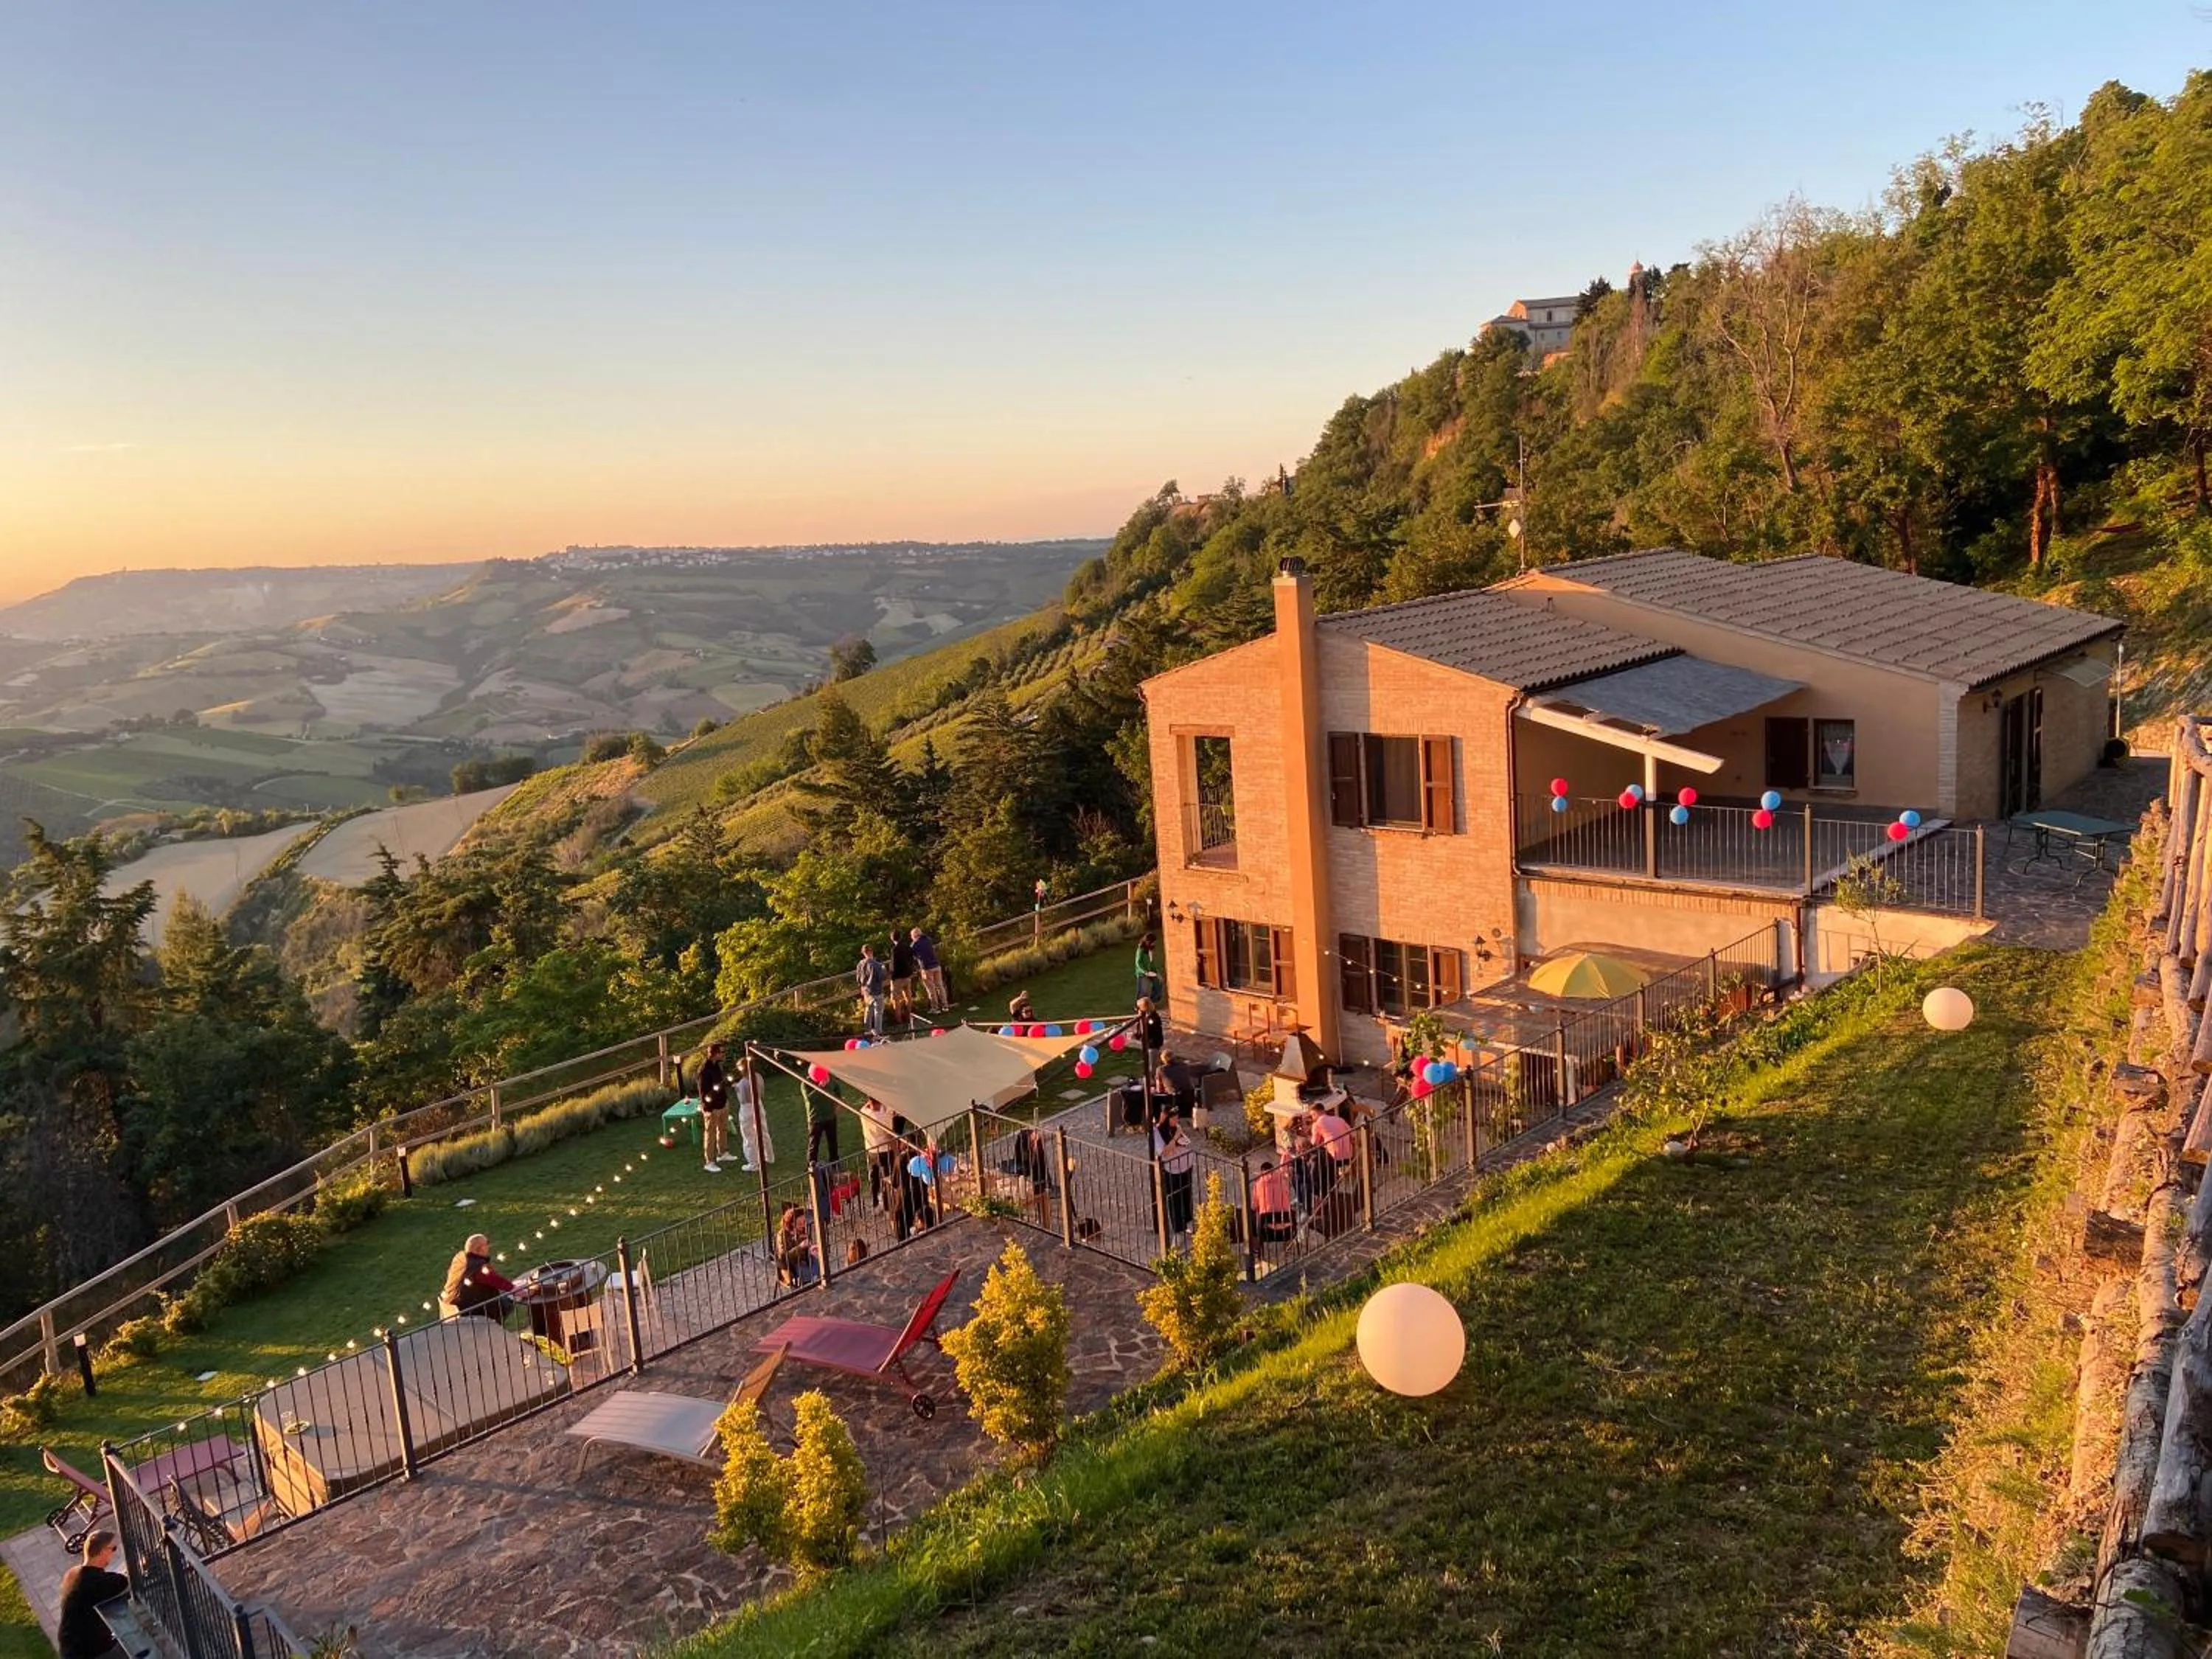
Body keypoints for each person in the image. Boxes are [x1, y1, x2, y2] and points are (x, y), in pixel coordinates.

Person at [58, 1527, 129, 1659]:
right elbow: (124, 1582)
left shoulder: (73, 1574)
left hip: (69, 1647)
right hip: (90, 1652)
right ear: (103, 1551)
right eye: (113, 1549)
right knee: (135, 1647)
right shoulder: (98, 1583)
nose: (114, 1553)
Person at [441, 1233, 515, 1321]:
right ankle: (494, 1330)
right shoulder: (478, 1266)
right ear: (479, 1249)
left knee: (504, 1298)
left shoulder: (461, 1260)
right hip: (474, 1312)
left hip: (458, 1308)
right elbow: (497, 1281)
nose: (489, 1247)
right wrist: (516, 1289)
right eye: (487, 1244)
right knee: (508, 1302)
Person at [1155, 1106, 1195, 1234]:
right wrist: (1175, 1138)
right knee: (1175, 1198)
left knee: (1186, 1194)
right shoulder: (1158, 1132)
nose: (1177, 1121)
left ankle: (1188, 1220)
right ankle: (1178, 1227)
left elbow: (1185, 1141)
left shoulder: (1176, 1128)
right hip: (1172, 1169)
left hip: (1186, 1165)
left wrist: (1178, 1136)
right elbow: (1164, 1152)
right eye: (1174, 1118)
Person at [857, 1095, 899, 1210]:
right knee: (887, 1178)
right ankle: (888, 1204)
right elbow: (890, 1135)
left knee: (874, 1177)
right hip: (885, 1150)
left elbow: (866, 1106)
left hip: (871, 1150)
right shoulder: (884, 1116)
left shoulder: (863, 1112)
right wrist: (896, 1153)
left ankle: (875, 1203)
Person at [696, 1041, 731, 1174]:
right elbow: (703, 1092)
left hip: (723, 1103)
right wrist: (708, 1108)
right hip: (712, 1108)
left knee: (723, 1129)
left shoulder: (717, 1066)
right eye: (722, 1052)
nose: (724, 1054)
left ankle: (723, 1153)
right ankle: (709, 1161)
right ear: (714, 1054)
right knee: (710, 1134)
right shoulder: (704, 1070)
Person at [733, 1059, 773, 1172]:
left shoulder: (743, 1083)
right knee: (763, 1131)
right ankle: (769, 1156)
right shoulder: (758, 1077)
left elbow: (743, 1099)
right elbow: (762, 1092)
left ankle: (753, 1163)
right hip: (759, 1104)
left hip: (747, 1109)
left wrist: (737, 1089)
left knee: (749, 1135)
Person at [1252, 1159, 1298, 1249]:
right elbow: (1288, 1195)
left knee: (1253, 1217)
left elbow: (1254, 1206)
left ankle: (1256, 1247)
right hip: (1286, 1228)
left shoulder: (1258, 1184)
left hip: (1268, 1230)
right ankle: (1289, 1243)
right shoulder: (1283, 1181)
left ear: (1262, 1172)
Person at [774, 1202, 818, 1287]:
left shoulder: (801, 1231)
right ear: (792, 1223)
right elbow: (783, 1257)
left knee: (819, 1262)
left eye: (804, 1222)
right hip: (790, 1265)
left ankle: (816, 1281)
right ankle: (810, 1285)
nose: (803, 1225)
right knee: (805, 1271)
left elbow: (807, 1249)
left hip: (804, 1261)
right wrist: (800, 1247)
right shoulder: (782, 1235)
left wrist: (812, 1249)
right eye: (800, 1223)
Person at [855, 942, 890, 1037]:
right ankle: (879, 1032)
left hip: (866, 990)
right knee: (878, 1012)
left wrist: (862, 986)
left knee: (868, 1010)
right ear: (871, 952)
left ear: (863, 953)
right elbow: (882, 977)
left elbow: (858, 978)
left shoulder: (860, 964)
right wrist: (884, 969)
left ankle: (867, 1031)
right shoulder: (877, 965)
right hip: (877, 990)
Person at [910, 925, 947, 1010]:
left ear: (915, 936)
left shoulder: (915, 945)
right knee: (940, 986)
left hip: (927, 968)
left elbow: (912, 955)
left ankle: (935, 1008)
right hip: (936, 965)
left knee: (931, 989)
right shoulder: (928, 940)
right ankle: (945, 1005)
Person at [888, 929, 918, 1020]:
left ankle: (899, 1019)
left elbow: (894, 964)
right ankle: (910, 1015)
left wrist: (892, 976)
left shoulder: (895, 950)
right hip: (907, 975)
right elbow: (912, 959)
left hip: (898, 977)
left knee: (896, 999)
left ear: (892, 939)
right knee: (908, 996)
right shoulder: (907, 947)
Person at [1134, 931, 1163, 1003]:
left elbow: (1151, 963)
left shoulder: (1150, 951)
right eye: (1153, 942)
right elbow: (1138, 963)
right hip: (1143, 973)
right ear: (1148, 942)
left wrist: (1157, 973)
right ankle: (1140, 1007)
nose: (1154, 944)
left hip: (1150, 972)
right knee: (1143, 992)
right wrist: (1145, 972)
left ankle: (1152, 1002)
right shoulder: (1140, 950)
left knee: (1159, 983)